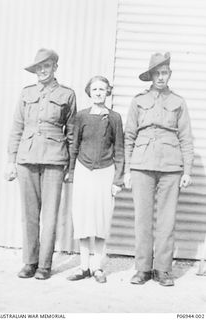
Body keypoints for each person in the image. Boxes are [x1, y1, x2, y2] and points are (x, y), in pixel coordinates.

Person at [5, 48, 77, 280]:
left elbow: (73, 134)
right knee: (29, 214)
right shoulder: (26, 93)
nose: (42, 71)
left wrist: (71, 167)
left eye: (46, 66)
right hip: (26, 159)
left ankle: (45, 265)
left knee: (50, 216)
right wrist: (10, 160)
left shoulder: (67, 94)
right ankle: (30, 262)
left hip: (55, 160)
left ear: (55, 67)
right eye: (38, 67)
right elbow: (17, 128)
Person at [124, 52, 194, 286]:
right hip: (142, 164)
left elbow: (186, 138)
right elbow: (129, 136)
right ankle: (143, 268)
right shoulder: (138, 101)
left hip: (171, 165)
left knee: (167, 220)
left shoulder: (178, 102)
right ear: (151, 76)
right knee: (142, 219)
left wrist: (187, 171)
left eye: (164, 73)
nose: (161, 77)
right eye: (157, 73)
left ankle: (163, 269)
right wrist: (126, 170)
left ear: (169, 74)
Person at [67, 76, 124, 283]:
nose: (99, 92)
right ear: (89, 92)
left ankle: (97, 267)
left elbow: (119, 149)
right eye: (95, 89)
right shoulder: (81, 116)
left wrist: (118, 180)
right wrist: (71, 171)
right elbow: (74, 146)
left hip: (105, 172)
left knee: (100, 219)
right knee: (83, 219)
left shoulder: (115, 117)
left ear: (108, 91)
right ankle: (83, 267)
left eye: (102, 89)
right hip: (83, 170)